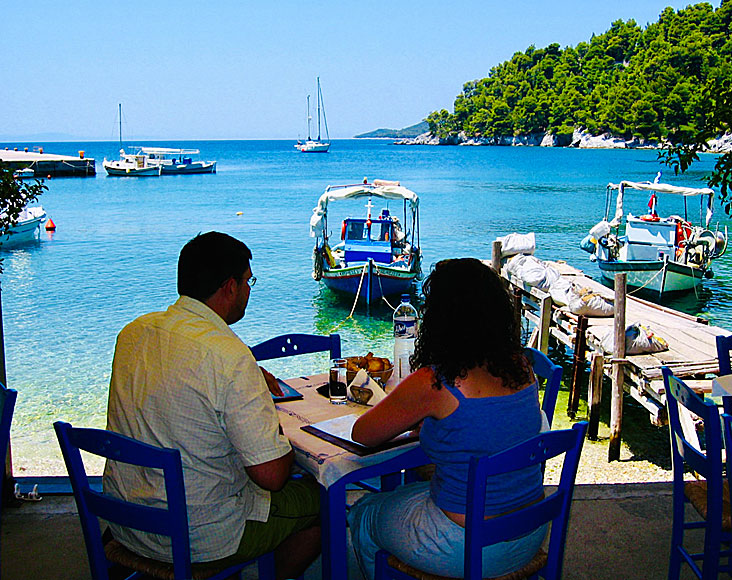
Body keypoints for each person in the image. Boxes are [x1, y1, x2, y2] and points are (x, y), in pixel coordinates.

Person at [103, 231, 320, 579]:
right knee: (324, 498)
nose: (250, 290)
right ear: (230, 286)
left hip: (125, 521)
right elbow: (273, 477)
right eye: (249, 281)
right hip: (200, 536)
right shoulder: (229, 356)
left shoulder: (133, 333)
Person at [348, 258, 547, 578]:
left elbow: (364, 433)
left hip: (468, 547)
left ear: (440, 318)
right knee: (406, 496)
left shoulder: (435, 382)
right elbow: (490, 427)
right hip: (531, 531)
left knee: (364, 513)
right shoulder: (521, 367)